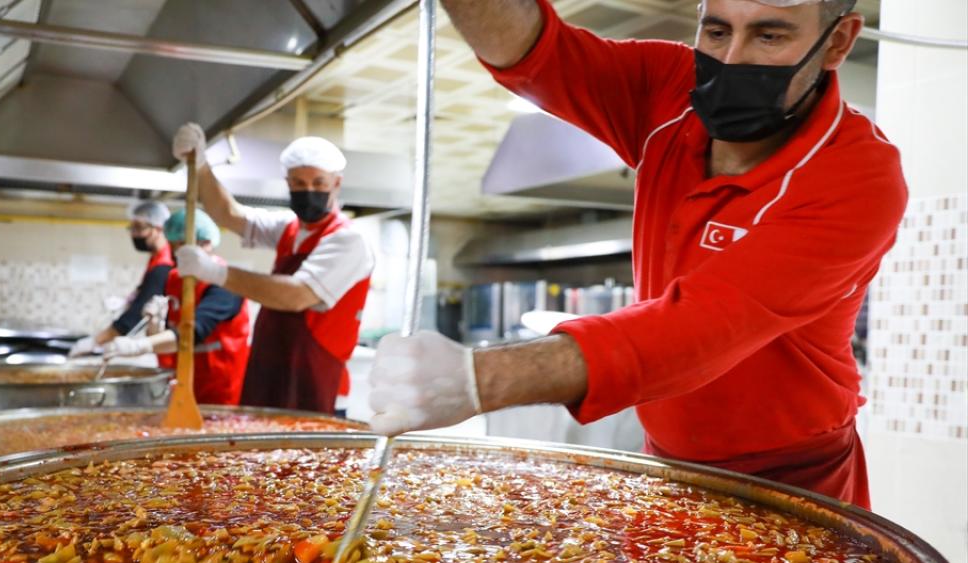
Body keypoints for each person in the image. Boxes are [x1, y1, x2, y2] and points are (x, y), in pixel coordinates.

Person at [371, 0, 905, 509]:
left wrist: (478, 378)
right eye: (716, 31)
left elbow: (701, 327)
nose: (733, 58)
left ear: (838, 41)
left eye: (769, 36)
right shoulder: (669, 91)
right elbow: (539, 54)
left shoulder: (857, 175)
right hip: (666, 463)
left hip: (792, 477)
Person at [170, 126, 375, 414]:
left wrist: (216, 272)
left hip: (316, 385)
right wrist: (201, 164)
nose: (309, 191)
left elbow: (296, 296)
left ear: (336, 184)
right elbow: (229, 214)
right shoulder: (288, 229)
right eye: (299, 183)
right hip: (273, 370)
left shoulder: (348, 240)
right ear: (287, 183)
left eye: (319, 183)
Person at [104, 208, 251, 405]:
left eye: (182, 245)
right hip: (179, 383)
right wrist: (155, 326)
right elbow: (168, 339)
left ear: (206, 243)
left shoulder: (227, 284)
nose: (176, 253)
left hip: (217, 388)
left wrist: (139, 346)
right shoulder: (174, 279)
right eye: (173, 246)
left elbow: (193, 332)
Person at [70, 201, 174, 357]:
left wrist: (94, 342)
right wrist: (129, 300)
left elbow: (135, 315)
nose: (134, 234)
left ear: (159, 229)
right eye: (132, 228)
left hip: (170, 352)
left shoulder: (164, 264)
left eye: (139, 228)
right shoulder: (156, 260)